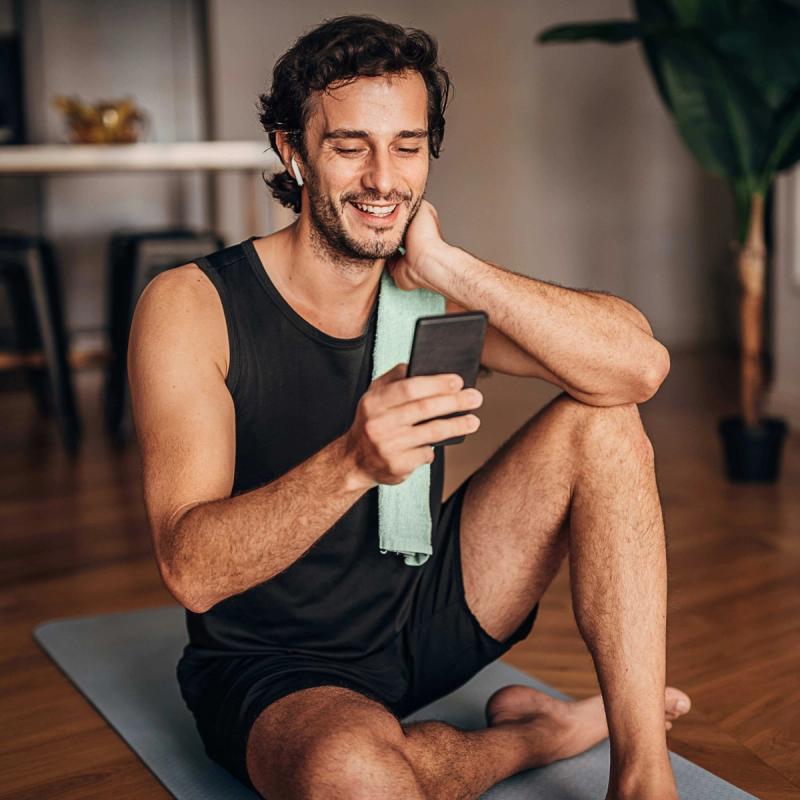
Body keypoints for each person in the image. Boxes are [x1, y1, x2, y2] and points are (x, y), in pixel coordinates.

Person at [127, 13, 691, 800]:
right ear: (293, 151)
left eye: (409, 147)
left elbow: (638, 367)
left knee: (601, 419)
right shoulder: (192, 306)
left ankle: (642, 777)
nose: (384, 179)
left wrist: (444, 262)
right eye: (351, 146)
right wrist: (353, 462)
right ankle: (534, 737)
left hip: (424, 607)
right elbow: (190, 571)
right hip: (277, 667)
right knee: (361, 776)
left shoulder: (426, 287)